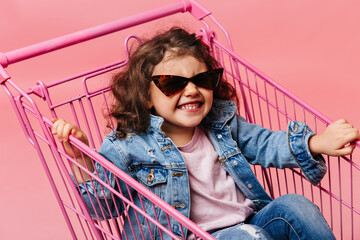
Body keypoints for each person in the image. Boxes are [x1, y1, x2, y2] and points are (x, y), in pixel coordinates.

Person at [52, 27, 360, 240]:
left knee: (294, 206)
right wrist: (83, 159)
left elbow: (265, 143)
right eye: (173, 83)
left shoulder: (221, 123)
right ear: (145, 97)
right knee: (246, 236)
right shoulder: (127, 146)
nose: (191, 90)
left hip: (249, 225)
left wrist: (318, 142)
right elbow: (103, 206)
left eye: (202, 79)